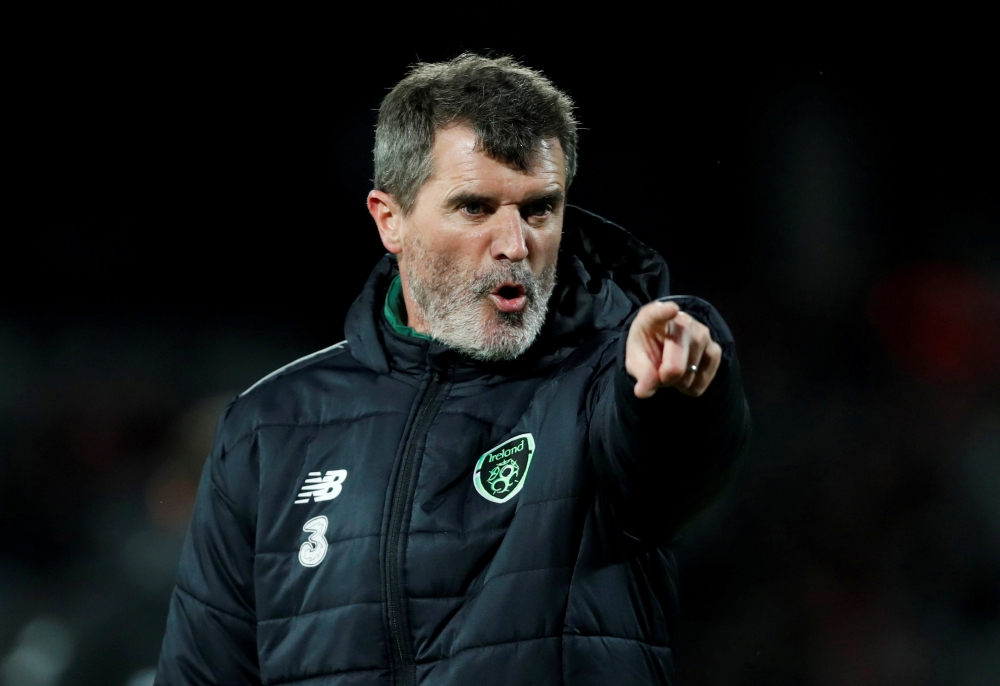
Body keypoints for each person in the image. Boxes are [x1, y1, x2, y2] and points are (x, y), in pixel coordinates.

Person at [155, 53, 751, 686]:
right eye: (475, 208)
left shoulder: (602, 382)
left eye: (540, 209)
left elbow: (675, 460)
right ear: (390, 220)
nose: (515, 244)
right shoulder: (269, 426)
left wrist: (678, 388)